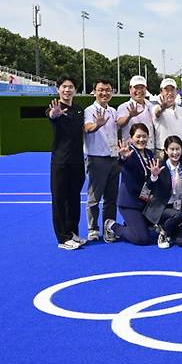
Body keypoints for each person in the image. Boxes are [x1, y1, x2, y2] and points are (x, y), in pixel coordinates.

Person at [47, 75, 86, 250]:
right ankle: (62, 238)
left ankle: (72, 232)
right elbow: (51, 116)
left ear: (75, 90)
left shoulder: (79, 110)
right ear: (58, 89)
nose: (67, 89)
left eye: (71, 87)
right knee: (59, 199)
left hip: (77, 161)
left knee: (74, 198)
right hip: (60, 162)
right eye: (64, 86)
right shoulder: (54, 108)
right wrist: (54, 114)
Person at [104, 123, 159, 246]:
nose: (141, 140)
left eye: (144, 136)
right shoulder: (128, 153)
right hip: (130, 203)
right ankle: (112, 226)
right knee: (142, 239)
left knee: (154, 226)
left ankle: (133, 225)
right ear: (131, 138)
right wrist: (123, 158)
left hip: (144, 202)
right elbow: (124, 164)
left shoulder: (149, 154)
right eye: (138, 136)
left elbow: (149, 178)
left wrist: (154, 177)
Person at [83, 78, 119, 242]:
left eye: (108, 90)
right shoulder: (89, 110)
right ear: (94, 91)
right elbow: (88, 128)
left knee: (111, 198)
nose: (104, 93)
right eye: (101, 90)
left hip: (113, 158)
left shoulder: (113, 111)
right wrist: (97, 125)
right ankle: (93, 228)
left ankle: (109, 227)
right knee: (94, 197)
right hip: (97, 158)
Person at [143, 135, 182, 249]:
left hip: (178, 209)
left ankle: (167, 228)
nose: (175, 152)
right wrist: (153, 176)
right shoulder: (159, 166)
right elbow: (147, 188)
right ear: (166, 150)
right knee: (177, 215)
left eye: (178, 149)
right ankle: (163, 233)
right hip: (161, 208)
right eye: (172, 149)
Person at [152, 78, 182, 160]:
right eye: (166, 90)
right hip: (163, 152)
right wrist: (162, 107)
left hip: (181, 151)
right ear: (161, 92)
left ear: (176, 92)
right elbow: (157, 113)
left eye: (172, 90)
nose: (170, 93)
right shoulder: (156, 108)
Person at [117, 75, 155, 151]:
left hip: (149, 148)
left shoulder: (151, 106)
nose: (139, 91)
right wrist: (129, 116)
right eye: (136, 87)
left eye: (142, 87)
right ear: (130, 89)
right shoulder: (124, 107)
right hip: (130, 149)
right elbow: (119, 123)